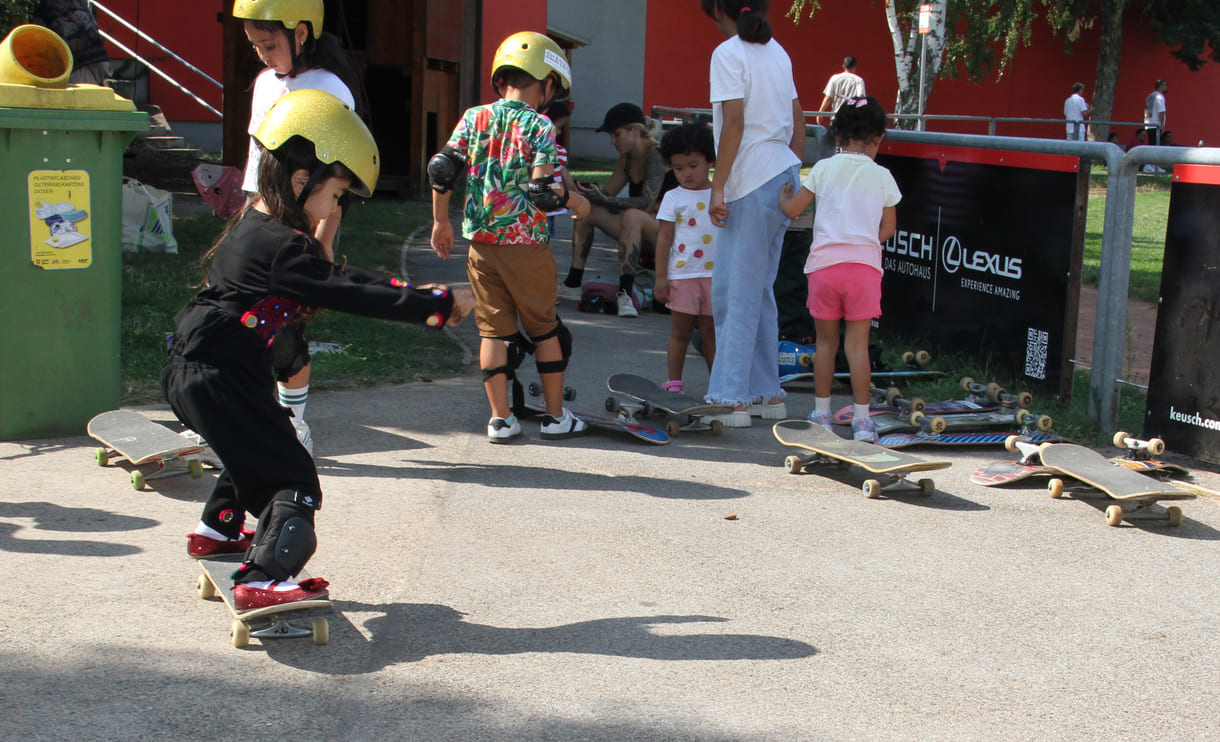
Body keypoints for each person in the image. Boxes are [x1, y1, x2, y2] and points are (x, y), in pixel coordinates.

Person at [164, 89, 473, 608]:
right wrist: (434, 305)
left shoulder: (255, 228)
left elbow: (336, 277)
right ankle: (262, 579)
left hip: (199, 370)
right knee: (295, 479)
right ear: (301, 179)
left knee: (259, 448)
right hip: (219, 378)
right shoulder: (284, 246)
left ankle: (216, 530)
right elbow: (344, 290)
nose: (336, 208)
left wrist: (425, 297)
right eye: (336, 195)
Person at [430, 31, 592, 443]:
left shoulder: (473, 117)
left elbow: (442, 169)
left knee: (492, 331)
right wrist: (576, 201)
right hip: (526, 247)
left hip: (481, 247)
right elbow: (541, 192)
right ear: (547, 83)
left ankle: (500, 420)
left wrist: (440, 222)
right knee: (544, 330)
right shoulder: (540, 126)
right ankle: (556, 418)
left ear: (501, 78)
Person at [233, 0, 363, 454]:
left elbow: (335, 177)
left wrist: (320, 241)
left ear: (301, 33)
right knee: (242, 322)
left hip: (304, 225)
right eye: (254, 45)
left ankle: (294, 425)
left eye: (268, 43)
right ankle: (240, 421)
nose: (262, 54)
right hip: (260, 219)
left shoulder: (328, 88)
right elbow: (257, 160)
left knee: (285, 328)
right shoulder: (264, 84)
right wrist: (246, 217)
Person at [699, 0, 805, 428]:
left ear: (716, 12)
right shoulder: (777, 50)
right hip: (782, 173)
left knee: (733, 292)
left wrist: (717, 186)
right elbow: (798, 120)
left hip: (750, 178)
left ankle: (731, 398)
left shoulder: (727, 53)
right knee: (760, 290)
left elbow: (735, 124)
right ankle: (766, 393)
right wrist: (790, 168)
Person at [778, 96, 901, 443]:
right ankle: (862, 420)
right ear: (878, 138)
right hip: (863, 270)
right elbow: (888, 229)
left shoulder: (823, 169)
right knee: (857, 347)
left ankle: (822, 413)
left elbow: (794, 210)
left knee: (825, 344)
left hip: (824, 268)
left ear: (836, 136)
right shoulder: (882, 176)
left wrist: (783, 198)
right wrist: (863, 243)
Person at [559, 102, 673, 318]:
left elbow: (647, 203)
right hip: (646, 227)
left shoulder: (655, 154)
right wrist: (582, 192)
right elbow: (608, 194)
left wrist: (603, 198)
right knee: (587, 210)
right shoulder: (627, 158)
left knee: (632, 215)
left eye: (617, 134)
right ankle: (573, 283)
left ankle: (625, 294)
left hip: (672, 234)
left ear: (635, 130)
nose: (613, 141)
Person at [654, 122, 719, 394]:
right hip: (682, 275)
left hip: (716, 276)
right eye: (679, 168)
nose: (686, 174)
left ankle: (718, 385)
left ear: (710, 161)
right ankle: (674, 384)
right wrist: (660, 278)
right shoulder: (672, 197)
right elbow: (664, 239)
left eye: (693, 165)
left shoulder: (721, 194)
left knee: (711, 335)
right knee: (679, 334)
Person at [31, 0, 111, 85]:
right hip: (99, 57)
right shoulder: (79, 3)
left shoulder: (47, 8)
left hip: (81, 62)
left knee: (85, 94)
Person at [817, 56, 865, 125]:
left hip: (836, 116)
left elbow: (828, 98)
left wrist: (820, 112)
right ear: (854, 67)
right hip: (852, 118)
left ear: (843, 66)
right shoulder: (859, 80)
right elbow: (861, 96)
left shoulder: (834, 78)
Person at [1144, 79, 1168, 146]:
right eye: (1165, 85)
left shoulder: (1150, 96)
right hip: (1156, 125)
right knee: (1157, 146)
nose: (1166, 87)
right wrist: (1162, 126)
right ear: (1161, 86)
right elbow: (1161, 112)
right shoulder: (1160, 97)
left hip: (1149, 125)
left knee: (1151, 145)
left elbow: (1146, 110)